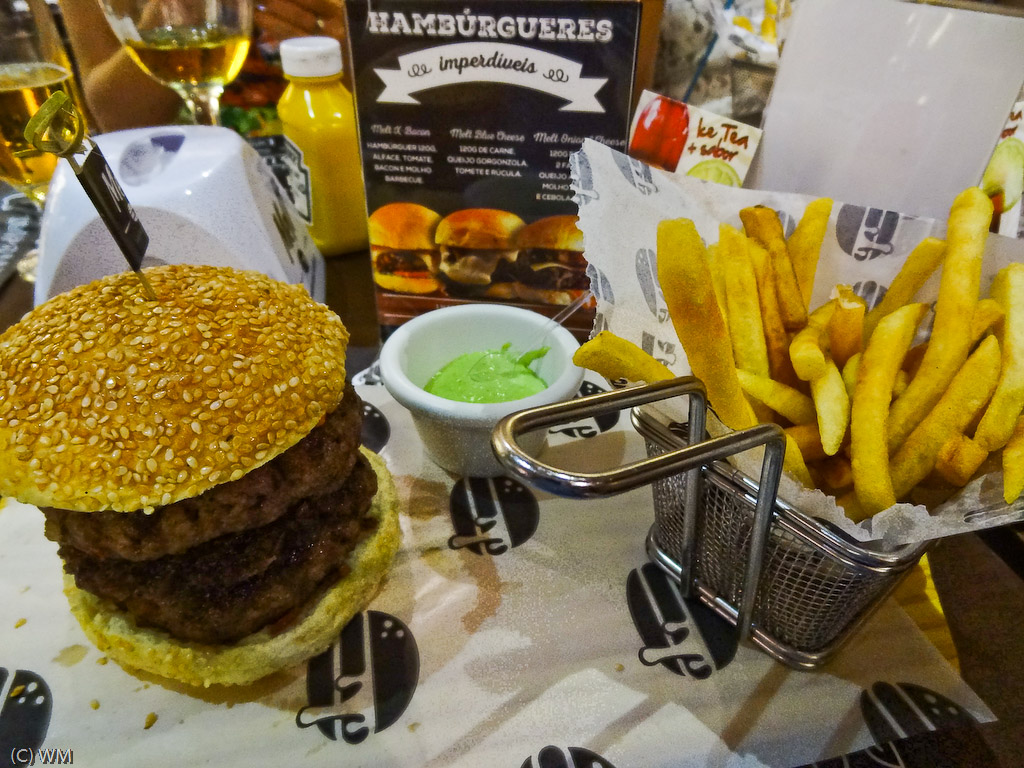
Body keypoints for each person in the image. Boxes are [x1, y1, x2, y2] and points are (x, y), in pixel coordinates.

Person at [57, 0, 344, 132]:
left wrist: (358, 41)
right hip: (181, 180)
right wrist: (174, 12)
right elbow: (116, 118)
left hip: (349, 156)